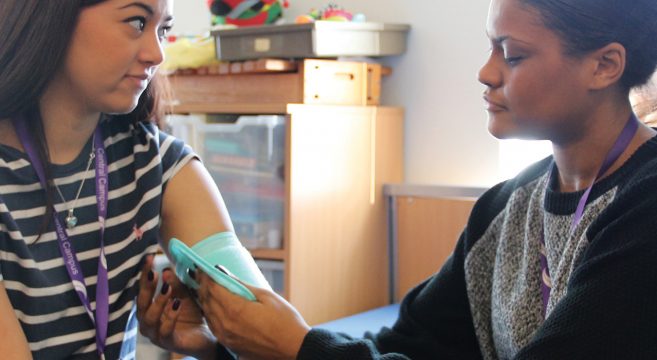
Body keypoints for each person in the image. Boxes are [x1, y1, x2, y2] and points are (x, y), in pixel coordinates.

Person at [179, 0, 657, 358]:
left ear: (604, 65)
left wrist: (299, 345)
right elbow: (407, 343)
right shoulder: (506, 207)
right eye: (491, 47)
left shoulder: (646, 203)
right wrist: (228, 343)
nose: (485, 72)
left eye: (511, 55)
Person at [0, 0, 238, 359]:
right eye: (137, 22)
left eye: (163, 30)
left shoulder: (155, 162)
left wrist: (213, 347)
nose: (157, 54)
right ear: (53, 16)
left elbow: (254, 320)